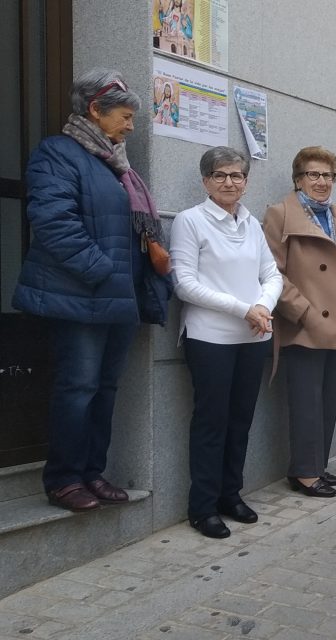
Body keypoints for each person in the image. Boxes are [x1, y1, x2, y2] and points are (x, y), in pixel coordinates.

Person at [13, 69, 171, 512]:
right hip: (82, 295)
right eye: (124, 115)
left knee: (104, 388)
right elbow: (52, 222)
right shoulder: (57, 153)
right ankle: (63, 478)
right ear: (94, 110)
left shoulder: (117, 164)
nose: (132, 126)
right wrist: (103, 271)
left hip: (119, 297)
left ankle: (91, 473)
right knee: (78, 386)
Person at [170, 147, 282, 538]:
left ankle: (230, 495)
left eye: (236, 176)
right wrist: (242, 309)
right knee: (211, 423)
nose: (229, 182)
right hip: (210, 338)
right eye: (220, 175)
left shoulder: (251, 223)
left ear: (246, 181)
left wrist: (263, 307)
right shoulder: (190, 221)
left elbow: (272, 274)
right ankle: (202, 507)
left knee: (240, 421)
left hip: (253, 336)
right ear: (205, 181)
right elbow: (184, 283)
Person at [263, 146, 336, 498]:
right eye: (314, 175)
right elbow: (271, 272)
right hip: (305, 325)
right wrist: (303, 312)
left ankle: (317, 465)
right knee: (306, 402)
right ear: (298, 179)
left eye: (328, 176)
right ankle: (305, 472)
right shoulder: (280, 214)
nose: (322, 182)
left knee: (327, 400)